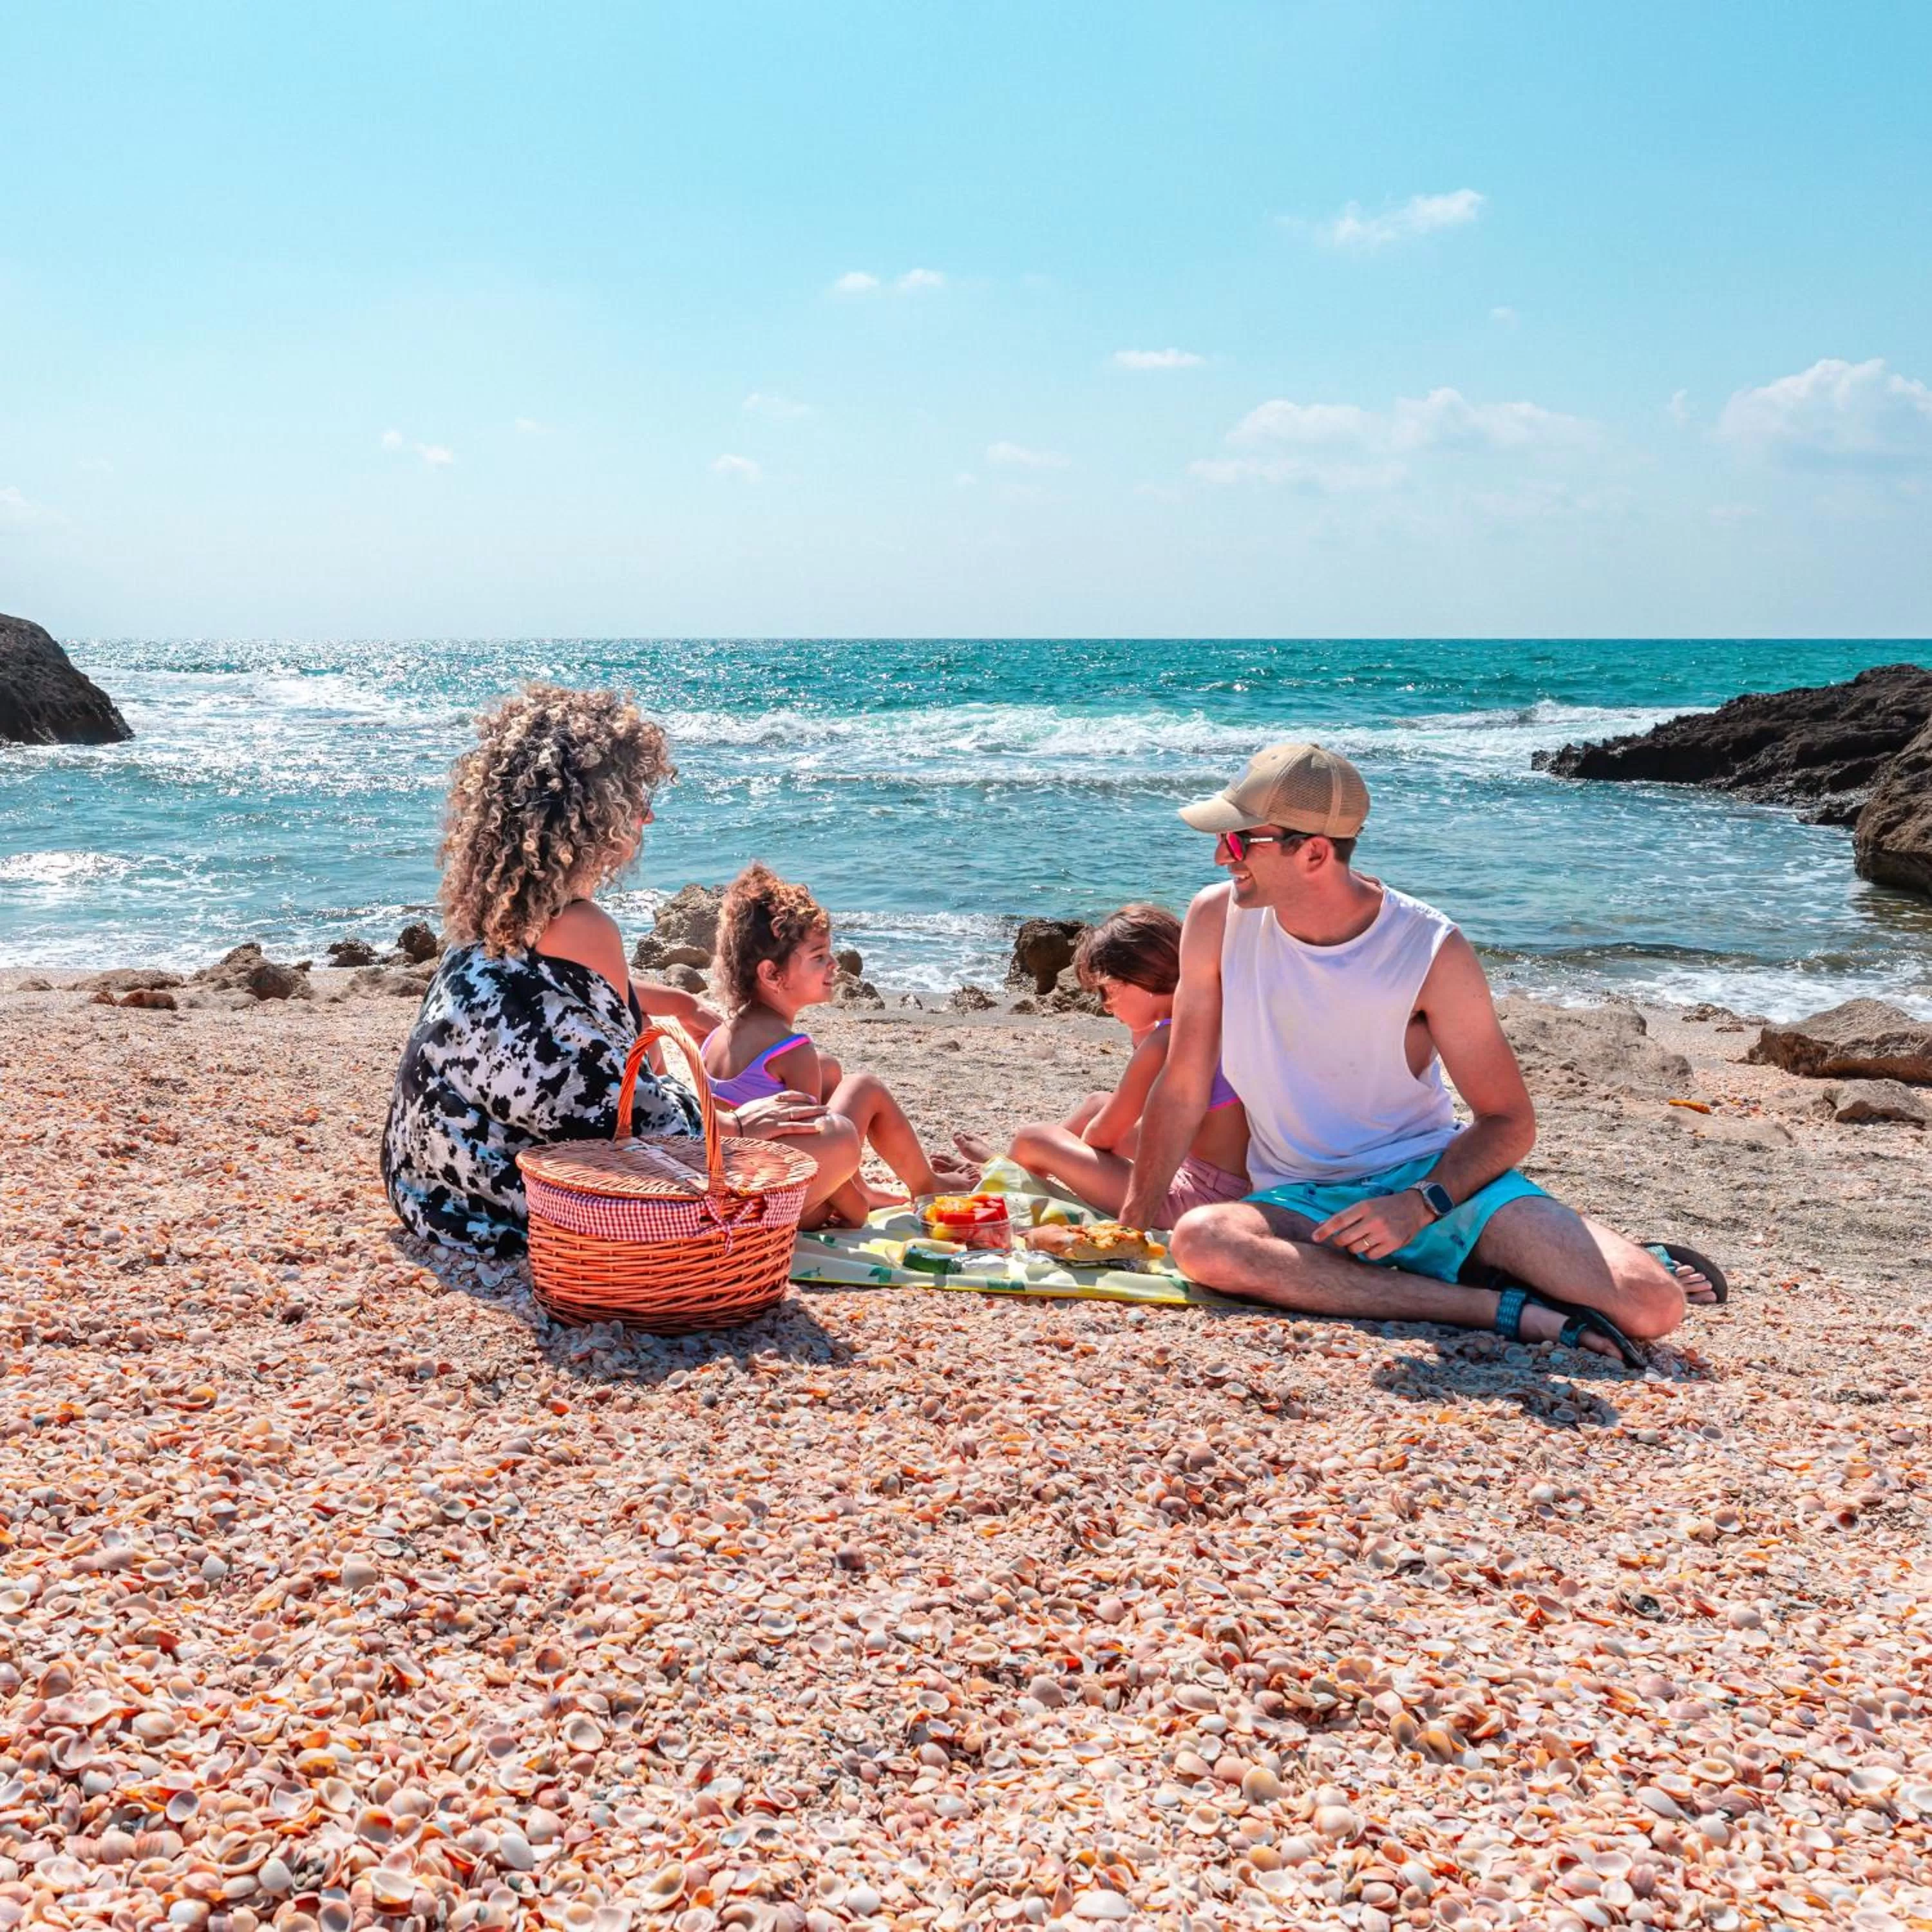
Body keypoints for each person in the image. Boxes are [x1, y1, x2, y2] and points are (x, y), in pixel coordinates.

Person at [1120, 741, 1719, 1364]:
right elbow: (1183, 1084)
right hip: (1301, 1198)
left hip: (1436, 1187)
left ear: (1315, 852)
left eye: (1240, 841)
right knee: (1204, 1241)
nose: (1222, 856)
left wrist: (1418, 1204)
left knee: (1653, 1304)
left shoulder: (1430, 949)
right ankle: (1493, 1306)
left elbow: (1508, 1120)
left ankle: (1543, 1266)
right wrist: (1131, 1226)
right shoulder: (1215, 920)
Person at [382, 685, 862, 1255]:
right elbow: (616, 1116)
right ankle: (779, 1224)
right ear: (589, 816)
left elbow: (573, 1061)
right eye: (635, 800)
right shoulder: (583, 926)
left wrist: (684, 1013)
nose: (647, 815)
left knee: (680, 1069)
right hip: (517, 1203)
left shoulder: (488, 917)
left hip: (428, 1184)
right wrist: (735, 1127)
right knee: (835, 1138)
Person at [703, 862, 976, 1220]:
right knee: (866, 1087)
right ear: (772, 974)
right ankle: (926, 1185)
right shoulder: (792, 1050)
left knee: (828, 1067)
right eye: (819, 957)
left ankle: (866, 1187)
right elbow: (813, 1144)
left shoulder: (720, 1033)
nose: (833, 963)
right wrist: (856, 1209)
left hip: (741, 1180)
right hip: (789, 1204)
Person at [956, 904, 1249, 1226]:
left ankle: (1009, 1175)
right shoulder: (1210, 1015)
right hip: (1229, 1181)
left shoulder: (1164, 1043)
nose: (1107, 1007)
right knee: (1097, 1103)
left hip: (1196, 1199)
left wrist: (1076, 1150)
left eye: (1107, 992)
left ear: (1141, 978)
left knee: (1034, 1138)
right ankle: (1014, 1170)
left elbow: (1101, 1138)